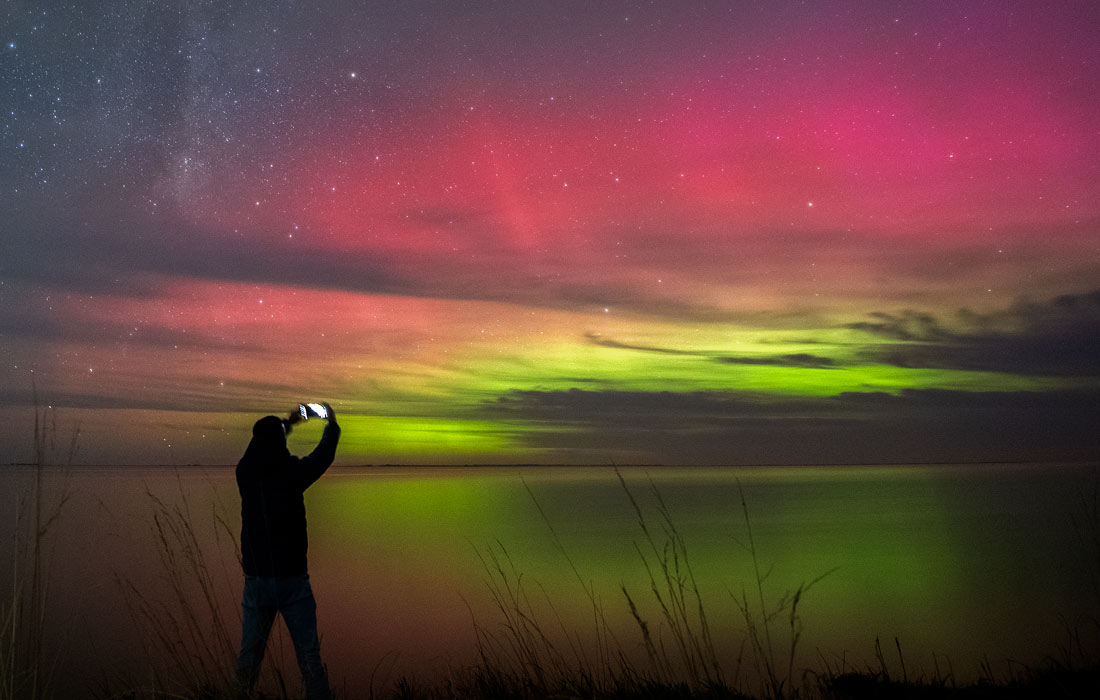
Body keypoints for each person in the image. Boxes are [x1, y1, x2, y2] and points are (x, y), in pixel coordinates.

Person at [234, 403, 340, 700]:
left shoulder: (244, 473)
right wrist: (331, 424)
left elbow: (261, 445)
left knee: (248, 660)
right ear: (280, 442)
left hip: (257, 581)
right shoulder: (292, 473)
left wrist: (285, 424)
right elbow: (323, 456)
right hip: (293, 581)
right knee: (309, 658)